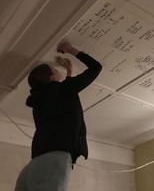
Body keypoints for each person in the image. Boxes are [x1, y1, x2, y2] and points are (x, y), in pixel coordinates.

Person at [15, 41, 102, 191]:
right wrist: (70, 49)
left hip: (35, 162)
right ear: (52, 79)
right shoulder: (61, 91)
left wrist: (69, 73)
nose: (59, 72)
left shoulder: (39, 101)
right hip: (54, 157)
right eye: (56, 70)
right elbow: (95, 68)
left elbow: (64, 98)